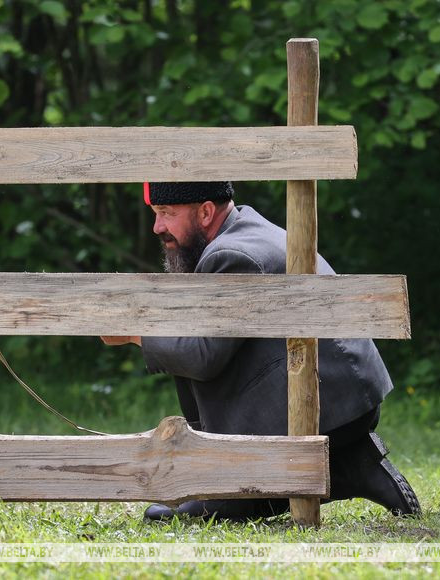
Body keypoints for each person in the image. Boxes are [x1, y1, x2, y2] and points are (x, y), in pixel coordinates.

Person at [101, 181, 421, 521]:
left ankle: (232, 490)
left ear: (206, 212)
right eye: (155, 214)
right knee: (182, 337)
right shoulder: (243, 231)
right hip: (345, 397)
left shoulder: (231, 256)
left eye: (166, 213)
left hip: (330, 406)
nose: (157, 227)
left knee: (189, 350)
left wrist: (135, 332)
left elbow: (204, 356)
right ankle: (352, 466)